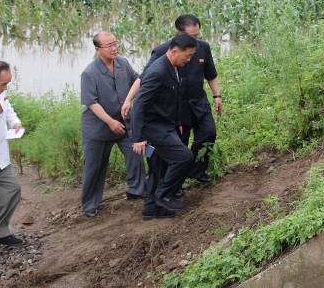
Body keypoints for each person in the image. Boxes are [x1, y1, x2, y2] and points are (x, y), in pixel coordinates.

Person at [146, 14, 221, 185]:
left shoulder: (203, 48)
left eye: (197, 35)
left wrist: (217, 95)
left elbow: (211, 74)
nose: (196, 39)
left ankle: (196, 169)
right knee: (180, 143)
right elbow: (146, 78)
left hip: (198, 102)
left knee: (209, 132)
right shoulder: (163, 51)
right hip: (177, 107)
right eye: (191, 36)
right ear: (179, 34)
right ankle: (174, 181)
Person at [130, 33, 197, 220]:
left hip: (166, 125)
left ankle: (151, 210)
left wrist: (178, 122)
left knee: (158, 167)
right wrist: (138, 139)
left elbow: (169, 100)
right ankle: (163, 194)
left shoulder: (174, 66)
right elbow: (140, 104)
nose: (189, 59)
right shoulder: (158, 71)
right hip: (153, 131)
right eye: (188, 55)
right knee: (184, 157)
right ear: (174, 51)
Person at [80, 32, 146, 217]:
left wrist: (130, 100)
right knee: (95, 167)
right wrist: (110, 122)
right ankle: (90, 204)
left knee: (136, 151)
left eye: (115, 43)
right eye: (109, 46)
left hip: (124, 122)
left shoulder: (122, 63)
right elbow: (91, 103)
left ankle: (137, 190)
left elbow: (138, 80)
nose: (114, 48)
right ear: (98, 50)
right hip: (99, 128)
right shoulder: (89, 73)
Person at [0, 61, 24, 245]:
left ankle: (0, 230)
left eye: (7, 84)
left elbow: (8, 111)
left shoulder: (1, 93)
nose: (5, 88)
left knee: (12, 189)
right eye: (3, 84)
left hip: (1, 156)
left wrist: (15, 122)